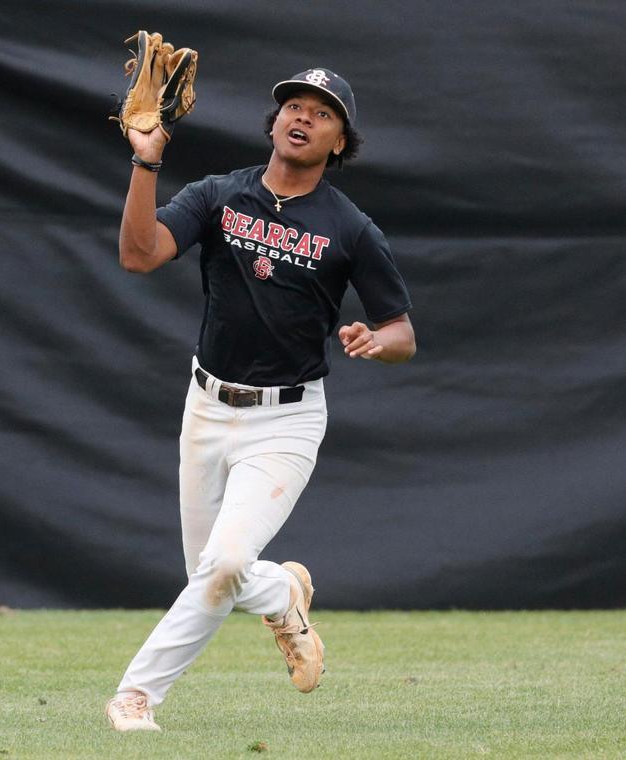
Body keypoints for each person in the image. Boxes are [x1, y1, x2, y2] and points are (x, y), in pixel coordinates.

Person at [105, 68, 416, 732]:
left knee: (220, 567)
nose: (302, 117)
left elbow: (402, 332)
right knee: (210, 577)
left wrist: (375, 340)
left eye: (322, 113)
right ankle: (281, 592)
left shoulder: (350, 227)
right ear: (273, 123)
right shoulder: (218, 195)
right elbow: (138, 255)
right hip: (208, 406)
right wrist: (143, 161)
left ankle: (136, 696)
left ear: (339, 142)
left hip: (287, 419)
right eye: (292, 107)